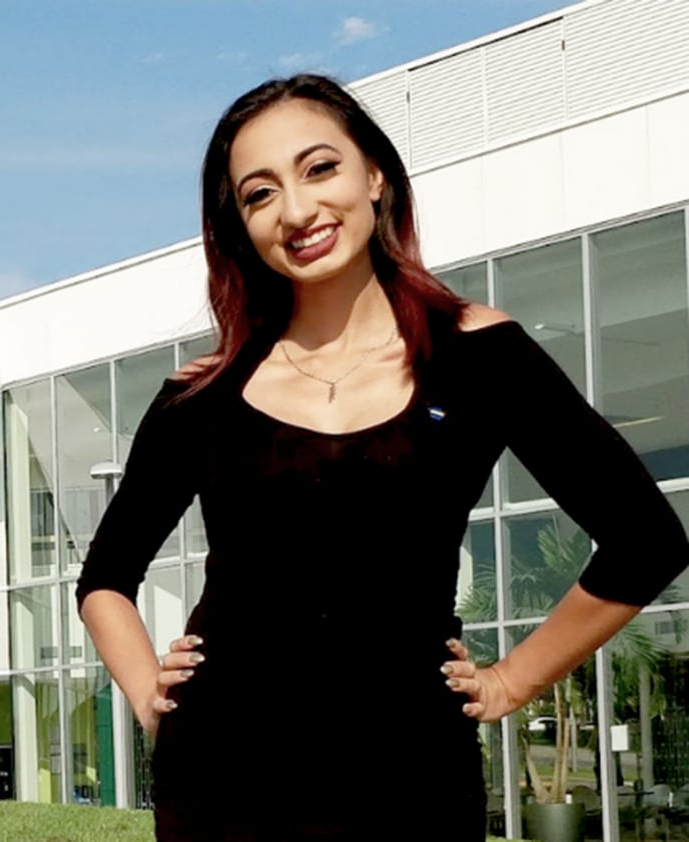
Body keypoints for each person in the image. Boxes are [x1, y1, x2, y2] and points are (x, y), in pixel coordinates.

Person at [74, 74, 689, 841]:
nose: (297, 211)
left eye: (319, 168)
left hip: (412, 778)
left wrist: (508, 682)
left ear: (376, 177)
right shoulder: (199, 397)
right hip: (222, 779)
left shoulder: (479, 355)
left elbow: (647, 540)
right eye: (259, 194)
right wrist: (149, 696)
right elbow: (105, 576)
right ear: (239, 226)